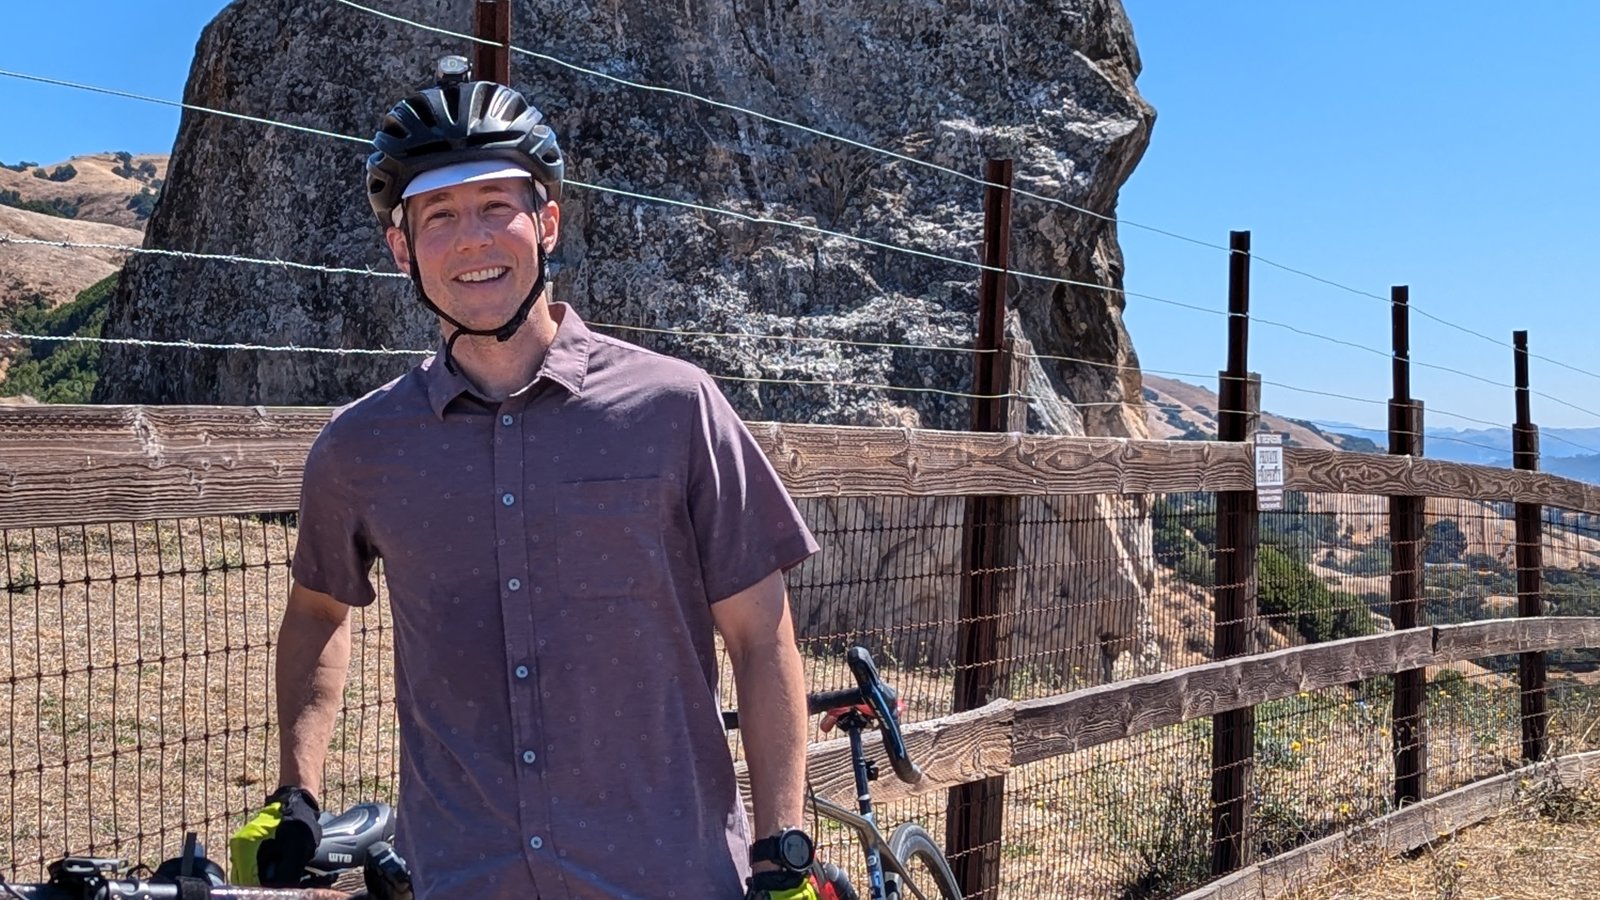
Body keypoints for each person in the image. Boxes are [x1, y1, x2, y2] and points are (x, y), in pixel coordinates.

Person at [229, 56, 835, 899]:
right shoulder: (359, 447)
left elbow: (762, 636)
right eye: (438, 215)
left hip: (671, 873)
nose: (471, 239)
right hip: (462, 876)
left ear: (546, 222)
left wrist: (782, 845)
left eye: (495, 207)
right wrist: (297, 789)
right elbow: (319, 612)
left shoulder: (676, 407)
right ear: (401, 246)